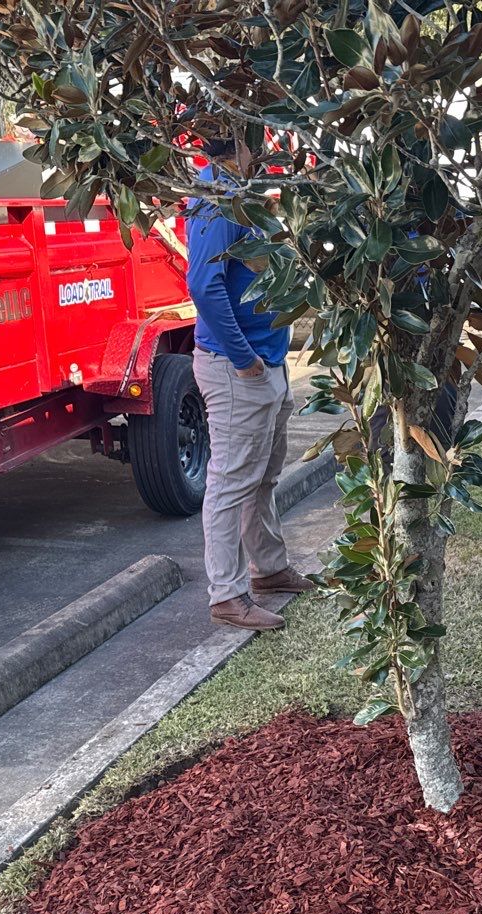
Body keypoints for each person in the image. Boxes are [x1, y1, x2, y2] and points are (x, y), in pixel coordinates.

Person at [184, 127, 310, 631]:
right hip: (240, 368)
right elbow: (203, 285)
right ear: (238, 145)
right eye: (257, 142)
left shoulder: (241, 195)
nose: (264, 152)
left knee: (263, 475)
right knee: (232, 482)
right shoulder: (217, 198)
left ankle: (269, 570)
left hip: (265, 361)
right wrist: (244, 359)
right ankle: (227, 596)